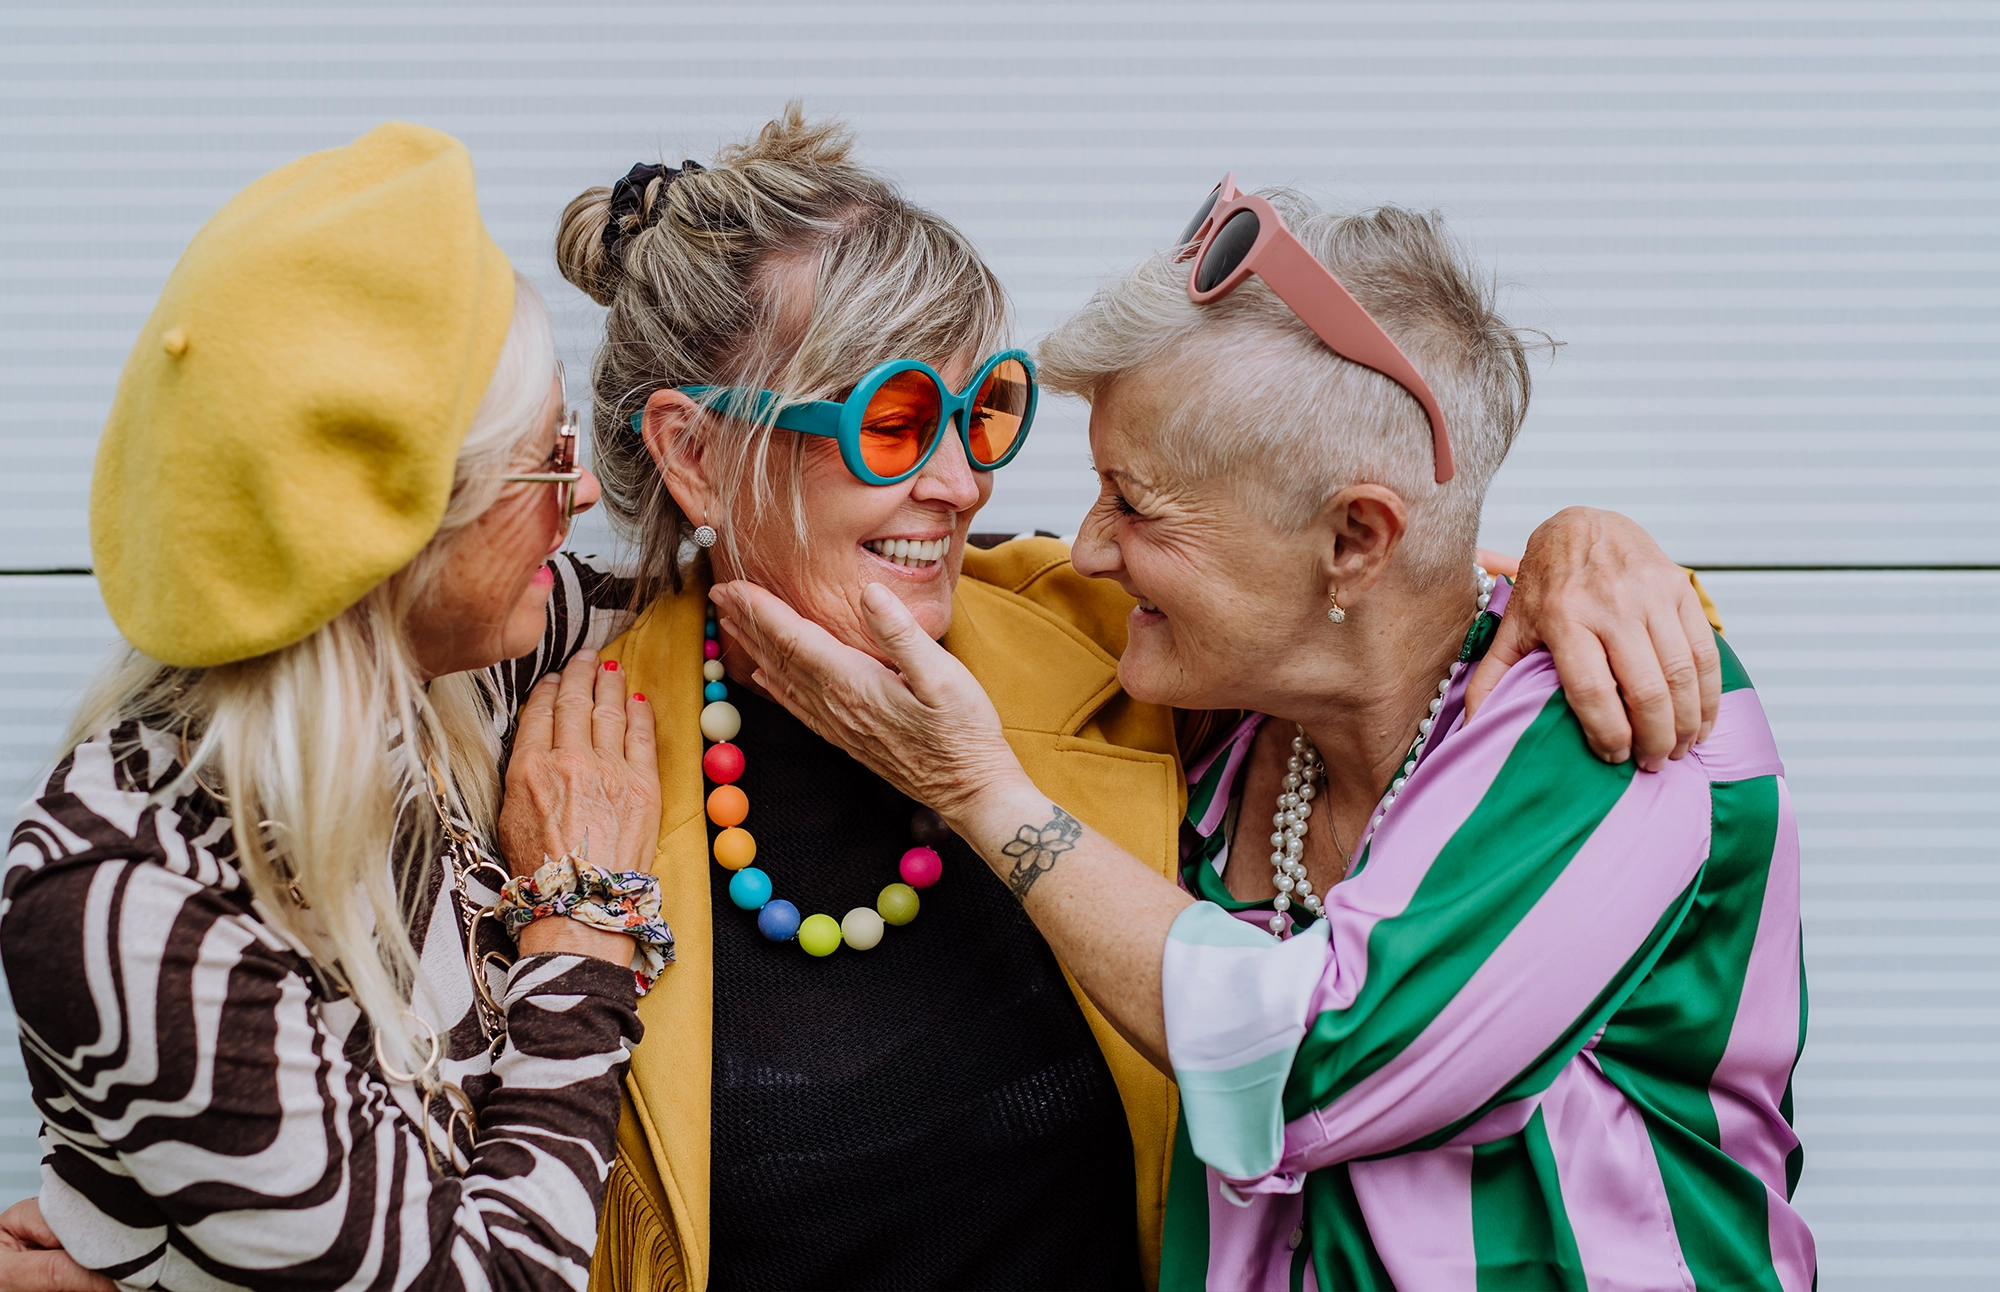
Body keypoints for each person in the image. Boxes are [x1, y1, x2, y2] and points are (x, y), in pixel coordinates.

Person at [558, 108, 1729, 1290]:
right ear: (696, 456)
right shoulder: (568, 762)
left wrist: (1587, 550)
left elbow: (1372, 592)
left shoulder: (1105, 651)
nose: (964, 484)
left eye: (982, 413)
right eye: (894, 423)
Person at [1, 125, 669, 1290]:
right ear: (399, 537)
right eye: (547, 461)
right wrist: (583, 925)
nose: (580, 499)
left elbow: (696, 593)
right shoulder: (128, 905)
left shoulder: (453, 658)